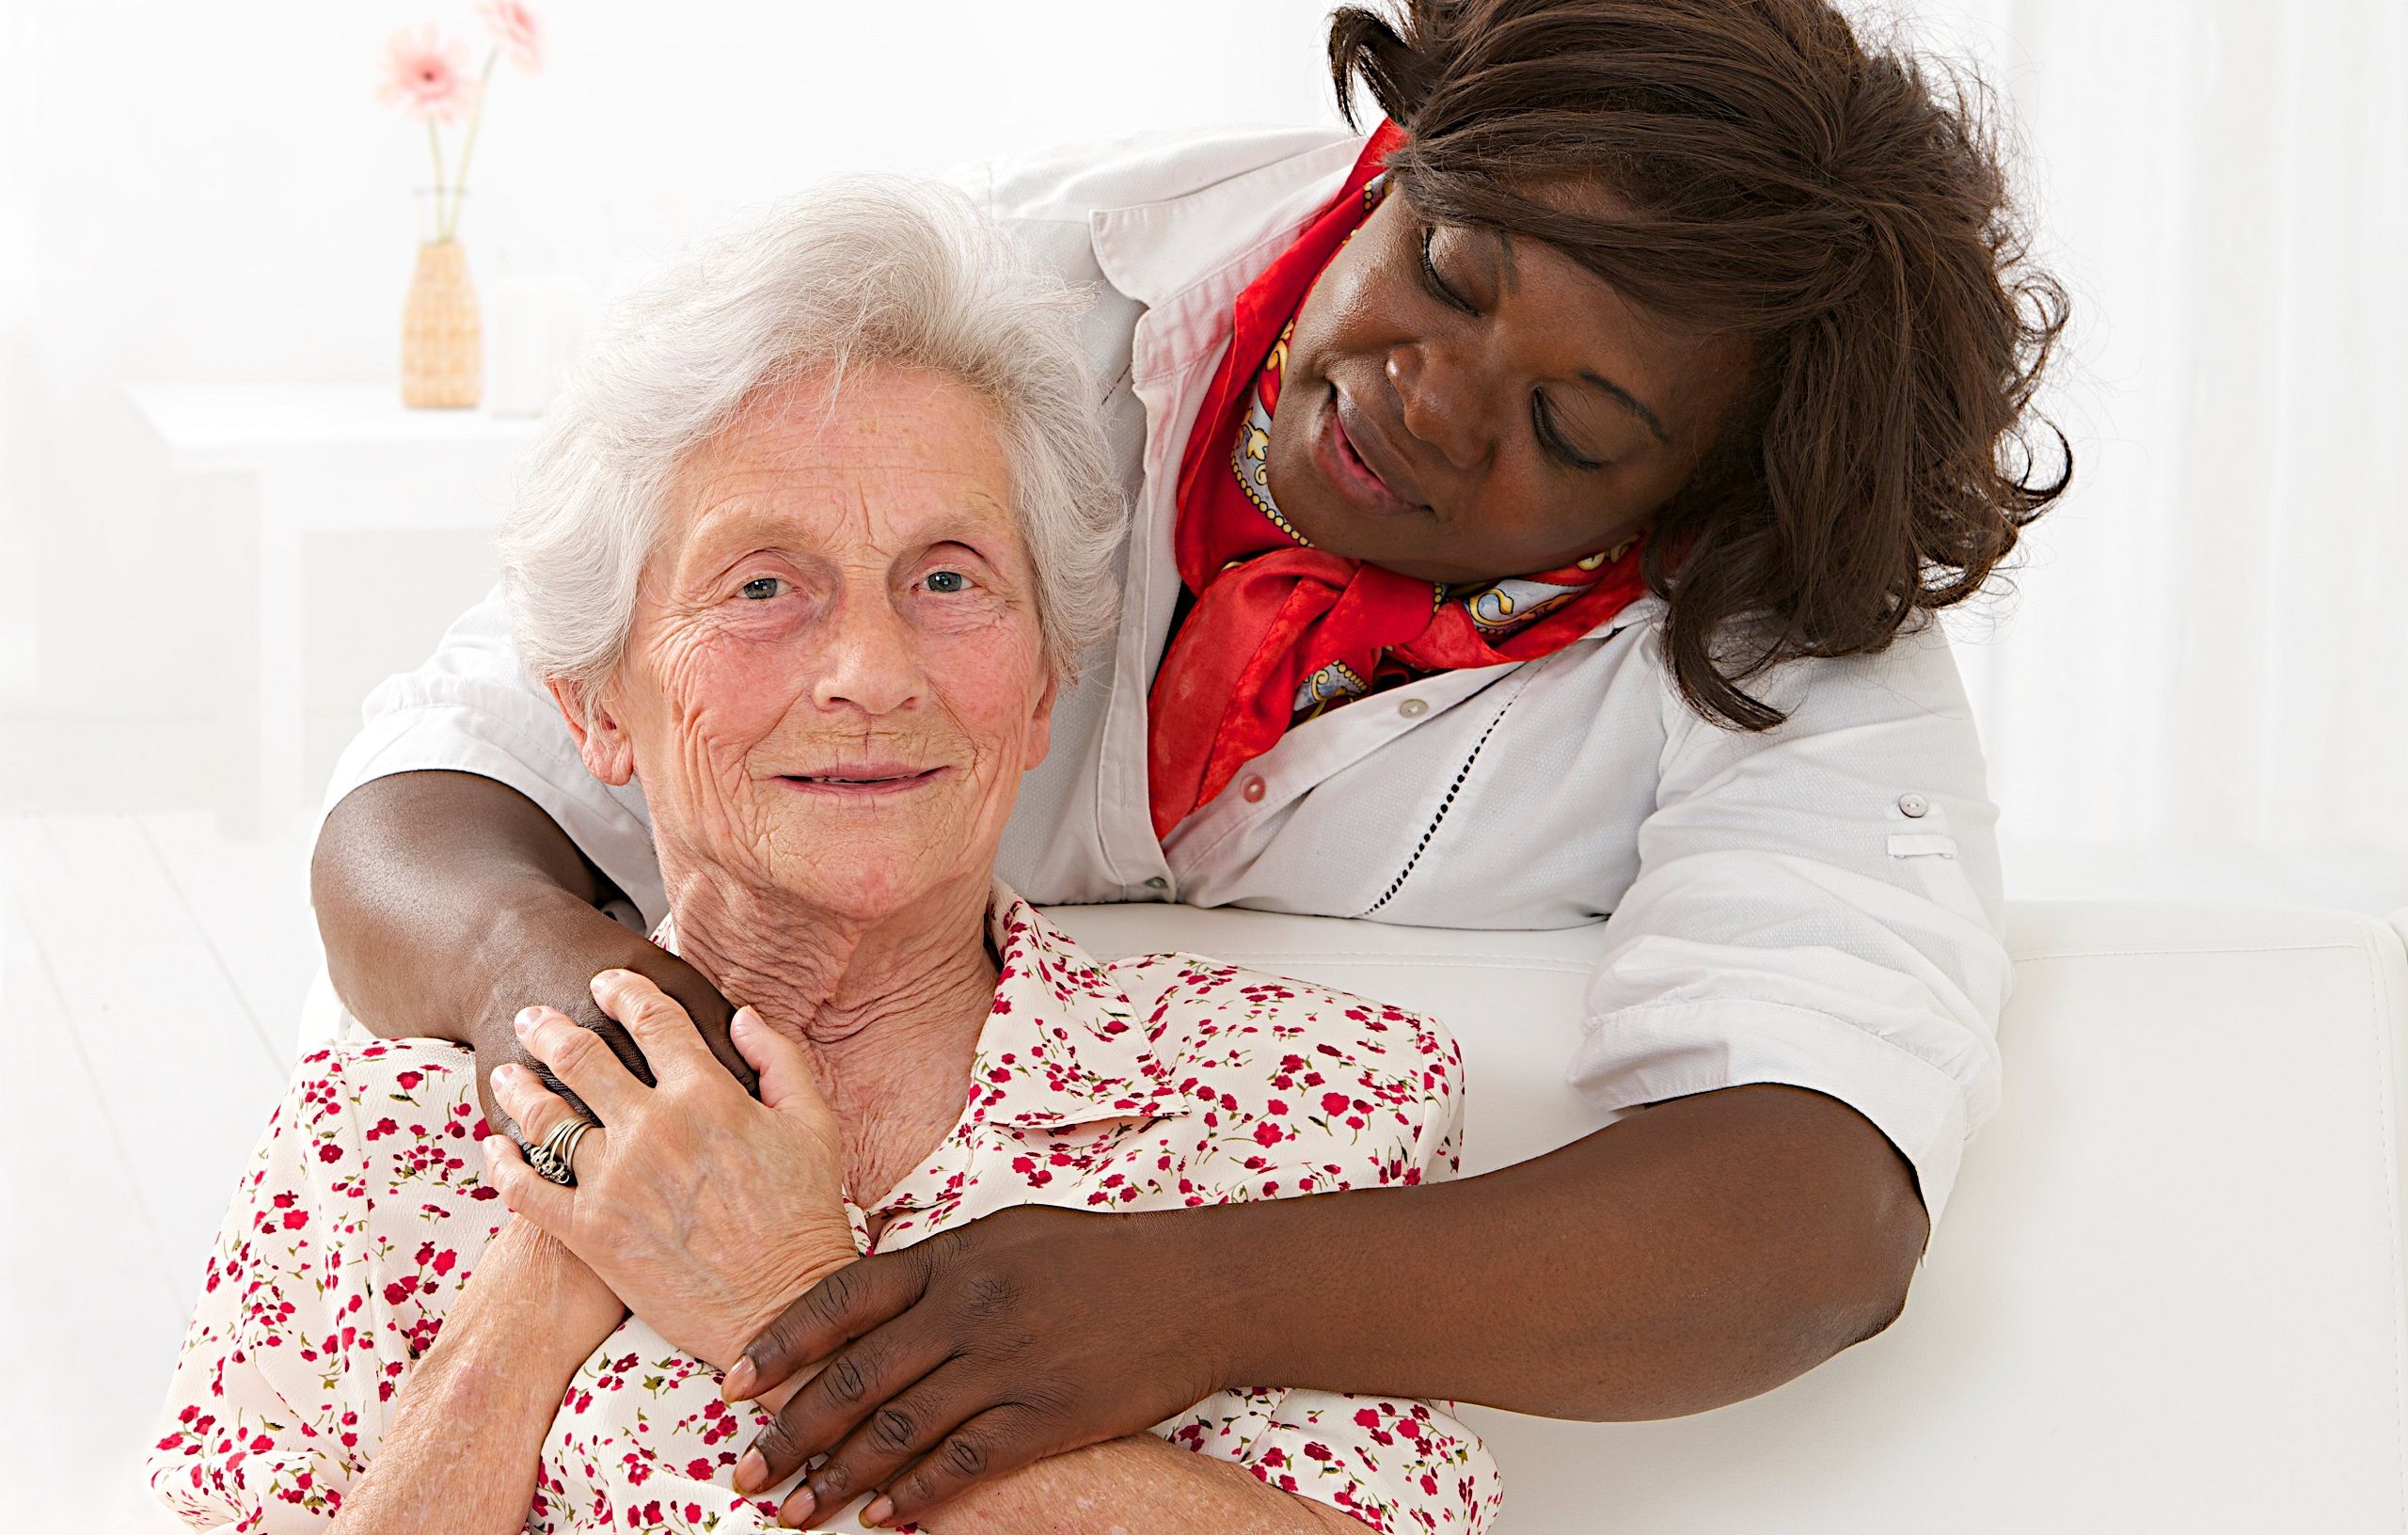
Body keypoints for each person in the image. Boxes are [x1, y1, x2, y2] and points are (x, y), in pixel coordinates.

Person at [307, 0, 2067, 1526]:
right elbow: (439, 785)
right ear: (1393, 152)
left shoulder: (1784, 625)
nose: (1432, 402)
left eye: (1570, 427)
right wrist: (590, 1041)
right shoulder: (1002, 311)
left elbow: (1816, 1213)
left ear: (1702, 505)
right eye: (1446, 275)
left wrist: (1194, 1298)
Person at [149, 183, 1499, 1535]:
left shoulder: (1308, 1104)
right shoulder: (370, 1146)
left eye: (951, 579)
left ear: (1040, 685)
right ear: (594, 707)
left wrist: (779, 1294)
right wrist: (538, 1279)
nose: (869, 672)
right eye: (761, 587)